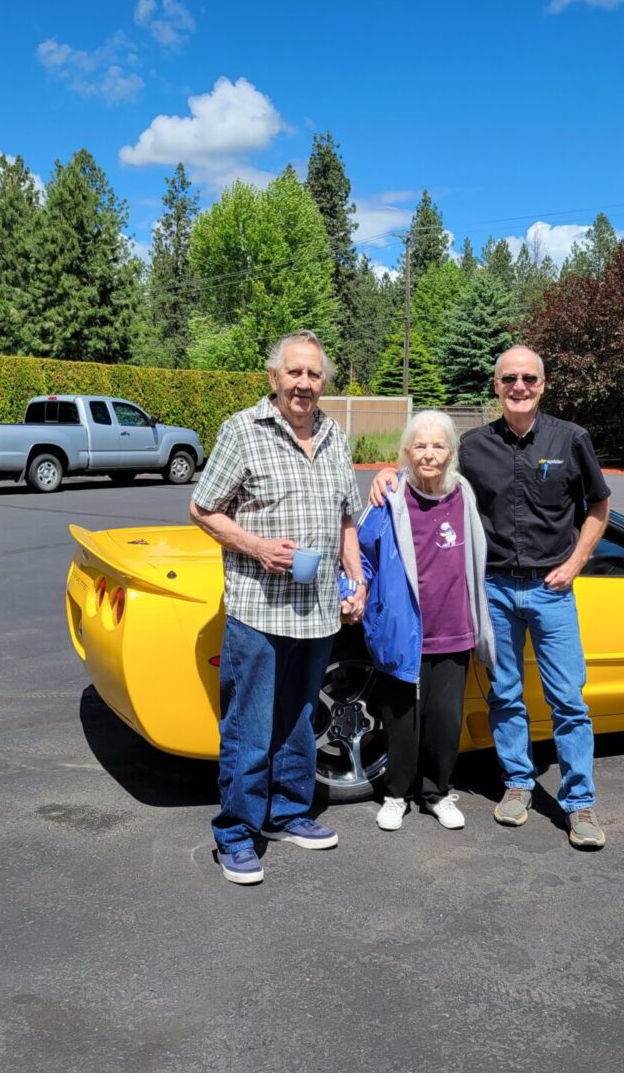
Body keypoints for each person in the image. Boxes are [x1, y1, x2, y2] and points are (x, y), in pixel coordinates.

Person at [368, 346, 610, 849]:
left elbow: (599, 505)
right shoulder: (473, 446)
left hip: (552, 589)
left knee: (568, 699)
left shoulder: (571, 439)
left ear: (542, 385)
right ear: (496, 387)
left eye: (528, 378)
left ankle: (579, 803)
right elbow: (430, 479)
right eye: (509, 379)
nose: (519, 386)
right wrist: (387, 474)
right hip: (494, 589)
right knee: (504, 695)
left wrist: (575, 562)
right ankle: (518, 784)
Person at [190, 331, 368, 885]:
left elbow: (346, 518)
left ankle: (290, 812)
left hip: (317, 612)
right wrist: (258, 548)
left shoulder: (336, 435)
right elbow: (202, 508)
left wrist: (357, 578)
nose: (304, 384)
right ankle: (237, 834)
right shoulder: (242, 430)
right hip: (258, 611)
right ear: (274, 378)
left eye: (314, 375)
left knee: (298, 721)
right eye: (294, 373)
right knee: (249, 726)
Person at [354, 410, 495, 833]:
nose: (428, 454)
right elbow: (362, 554)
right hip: (403, 631)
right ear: (406, 452)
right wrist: (354, 593)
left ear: (451, 451)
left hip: (453, 629)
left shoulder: (463, 493)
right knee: (402, 720)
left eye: (437, 446)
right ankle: (396, 795)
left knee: (445, 719)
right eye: (420, 446)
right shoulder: (391, 496)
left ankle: (437, 792)